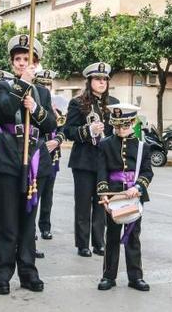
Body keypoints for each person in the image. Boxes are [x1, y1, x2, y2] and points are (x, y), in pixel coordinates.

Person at [0, 35, 56, 295]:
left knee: (29, 222)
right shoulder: (3, 85)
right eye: (18, 60)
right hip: (8, 157)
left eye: (27, 60)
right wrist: (22, 85)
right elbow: (2, 112)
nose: (22, 64)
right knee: (7, 221)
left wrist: (36, 108)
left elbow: (50, 124)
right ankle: (2, 273)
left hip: (36, 160)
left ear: (35, 63)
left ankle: (28, 272)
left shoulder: (44, 92)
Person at [96, 103, 152, 292]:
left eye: (124, 126)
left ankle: (135, 277)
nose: (120, 130)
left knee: (133, 237)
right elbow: (101, 171)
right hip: (114, 197)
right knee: (111, 236)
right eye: (117, 126)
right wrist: (104, 193)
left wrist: (138, 187)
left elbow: (147, 172)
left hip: (134, 198)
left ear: (133, 122)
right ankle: (108, 276)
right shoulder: (105, 144)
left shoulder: (143, 146)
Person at [64, 62, 118, 258]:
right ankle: (82, 244)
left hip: (105, 161)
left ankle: (99, 242)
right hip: (84, 161)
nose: (102, 82)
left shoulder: (113, 103)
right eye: (97, 79)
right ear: (89, 81)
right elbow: (68, 131)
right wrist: (87, 131)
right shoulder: (77, 103)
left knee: (102, 202)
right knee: (83, 203)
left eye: (104, 79)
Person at [33, 69, 63, 244]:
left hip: (53, 155)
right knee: (34, 193)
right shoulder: (35, 103)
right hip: (37, 152)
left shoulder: (57, 106)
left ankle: (45, 226)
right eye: (42, 84)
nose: (45, 87)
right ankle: (31, 228)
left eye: (48, 84)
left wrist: (58, 140)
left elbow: (62, 129)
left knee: (48, 195)